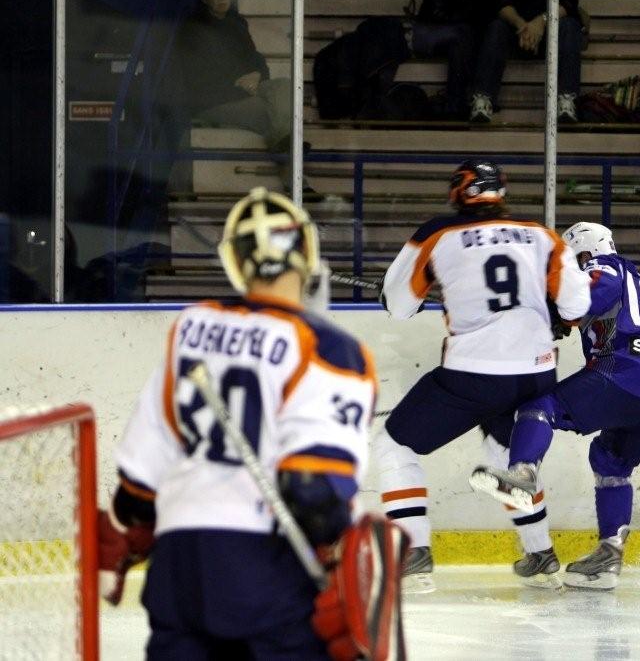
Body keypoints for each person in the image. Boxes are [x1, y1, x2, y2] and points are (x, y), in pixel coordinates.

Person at [96, 187, 408, 660]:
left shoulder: (191, 327)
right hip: (269, 569)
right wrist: (337, 559)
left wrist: (136, 528)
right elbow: (312, 492)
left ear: (235, 261)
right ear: (305, 250)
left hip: (179, 569)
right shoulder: (330, 348)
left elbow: (138, 488)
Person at [374, 160, 592, 591]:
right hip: (535, 372)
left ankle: (413, 553)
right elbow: (575, 307)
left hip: (472, 374)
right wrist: (550, 313)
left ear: (459, 193)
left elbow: (397, 305)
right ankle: (540, 553)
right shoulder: (541, 235)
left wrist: (421, 296)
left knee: (394, 444)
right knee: (504, 459)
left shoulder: (437, 233)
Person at [470, 222, 640, 590]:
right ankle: (609, 556)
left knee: (539, 407)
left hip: (626, 373)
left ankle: (522, 473)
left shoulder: (603, 267)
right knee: (609, 460)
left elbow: (583, 299)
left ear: (583, 252)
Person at [176, 0, 293, 155]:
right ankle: (297, 180)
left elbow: (255, 58)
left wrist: (257, 74)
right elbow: (198, 81)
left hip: (247, 89)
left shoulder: (236, 23)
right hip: (215, 100)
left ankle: (285, 147)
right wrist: (239, 86)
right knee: (272, 114)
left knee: (286, 87)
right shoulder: (193, 29)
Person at [468, 0, 585, 123]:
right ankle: (482, 98)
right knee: (496, 27)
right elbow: (500, 3)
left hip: (551, 29)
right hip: (517, 31)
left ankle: (566, 100)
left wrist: (540, 22)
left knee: (569, 26)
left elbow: (568, 3)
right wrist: (522, 25)